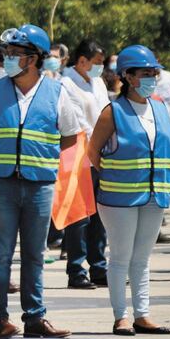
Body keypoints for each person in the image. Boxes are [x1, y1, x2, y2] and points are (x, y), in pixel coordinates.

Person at [0, 24, 80, 339]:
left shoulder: (57, 92)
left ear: (33, 59)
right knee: (0, 254)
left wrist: (38, 158)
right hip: (3, 185)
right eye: (7, 53)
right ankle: (0, 319)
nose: (8, 58)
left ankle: (35, 318)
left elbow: (70, 135)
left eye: (15, 54)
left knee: (35, 253)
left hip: (39, 185)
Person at [89, 45, 170, 336]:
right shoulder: (112, 111)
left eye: (154, 72)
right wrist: (115, 174)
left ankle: (143, 314)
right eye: (146, 73)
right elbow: (93, 152)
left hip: (155, 195)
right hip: (119, 197)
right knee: (121, 256)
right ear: (128, 76)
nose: (152, 77)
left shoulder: (160, 107)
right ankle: (121, 316)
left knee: (142, 258)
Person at [60, 39, 110, 289]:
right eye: (97, 63)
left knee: (100, 216)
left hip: (100, 156)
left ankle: (98, 267)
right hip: (78, 157)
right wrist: (96, 149)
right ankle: (76, 269)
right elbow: (79, 124)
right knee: (79, 217)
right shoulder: (66, 83)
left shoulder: (98, 82)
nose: (100, 68)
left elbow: (105, 115)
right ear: (82, 61)